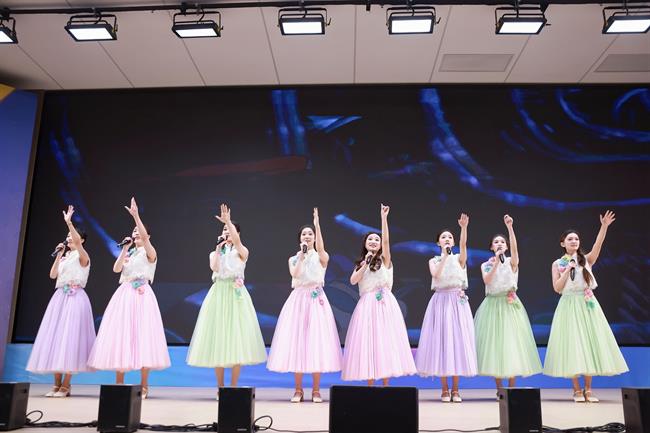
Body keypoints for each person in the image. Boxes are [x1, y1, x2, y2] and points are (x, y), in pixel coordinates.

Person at [88, 198, 170, 398]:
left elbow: (144, 238)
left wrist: (136, 216)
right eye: (133, 232)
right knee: (121, 336)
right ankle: (119, 384)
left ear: (147, 235)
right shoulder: (129, 253)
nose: (135, 234)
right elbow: (116, 269)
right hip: (124, 295)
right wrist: (124, 249)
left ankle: (144, 385)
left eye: (138, 232)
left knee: (144, 337)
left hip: (142, 294)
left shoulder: (150, 252)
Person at [543, 211, 628, 403]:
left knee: (589, 343)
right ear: (562, 243)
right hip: (568, 304)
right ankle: (576, 389)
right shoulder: (557, 263)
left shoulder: (586, 260)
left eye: (576, 239)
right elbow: (557, 288)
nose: (574, 241)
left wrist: (604, 226)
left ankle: (588, 389)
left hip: (587, 304)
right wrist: (568, 270)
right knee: (572, 344)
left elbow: (598, 245)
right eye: (570, 239)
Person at [187, 204, 266, 393]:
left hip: (236, 294)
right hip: (218, 293)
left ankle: (233, 387)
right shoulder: (215, 252)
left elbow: (237, 243)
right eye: (223, 229)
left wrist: (228, 221)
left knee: (237, 339)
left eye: (229, 230)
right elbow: (214, 267)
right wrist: (218, 248)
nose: (226, 232)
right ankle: (220, 387)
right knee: (218, 339)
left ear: (237, 233)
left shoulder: (241, 251)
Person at [268, 208, 343, 403]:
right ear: (299, 239)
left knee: (317, 343)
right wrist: (301, 256)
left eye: (310, 234)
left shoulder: (321, 256)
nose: (307, 236)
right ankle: (298, 390)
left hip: (316, 299)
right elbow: (295, 274)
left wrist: (317, 224)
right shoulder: (293, 258)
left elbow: (321, 248)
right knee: (298, 343)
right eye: (304, 234)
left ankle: (316, 390)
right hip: (298, 300)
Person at [341, 204, 416, 385]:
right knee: (369, 343)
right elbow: (353, 281)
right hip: (367, 305)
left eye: (377, 239)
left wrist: (384, 219)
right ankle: (370, 384)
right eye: (370, 239)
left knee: (386, 341)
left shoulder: (385, 260)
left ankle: (385, 385)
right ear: (364, 244)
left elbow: (387, 241)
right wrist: (365, 264)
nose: (374, 241)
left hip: (385, 304)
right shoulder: (361, 263)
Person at [26, 205, 96, 398]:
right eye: (67, 236)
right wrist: (58, 255)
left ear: (81, 240)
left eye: (72, 237)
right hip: (60, 298)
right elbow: (53, 275)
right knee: (56, 338)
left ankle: (66, 384)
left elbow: (76, 241)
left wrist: (69, 222)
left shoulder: (83, 256)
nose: (69, 239)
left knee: (70, 339)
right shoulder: (65, 257)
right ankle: (56, 384)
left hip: (75, 298)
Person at [474, 214, 542, 394]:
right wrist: (496, 262)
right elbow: (487, 280)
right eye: (496, 242)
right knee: (495, 347)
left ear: (506, 246)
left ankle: (511, 388)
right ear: (491, 247)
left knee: (512, 344)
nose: (499, 244)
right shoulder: (486, 265)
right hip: (492, 306)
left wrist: (510, 227)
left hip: (510, 305)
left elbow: (515, 248)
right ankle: (499, 389)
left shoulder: (512, 262)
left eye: (502, 242)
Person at [415, 213, 477, 402]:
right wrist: (444, 256)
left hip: (457, 302)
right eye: (444, 237)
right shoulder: (434, 260)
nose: (447, 239)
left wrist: (464, 228)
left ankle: (456, 389)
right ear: (438, 243)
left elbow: (464, 246)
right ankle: (444, 389)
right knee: (441, 343)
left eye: (450, 237)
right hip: (440, 301)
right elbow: (436, 274)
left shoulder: (459, 258)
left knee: (457, 342)